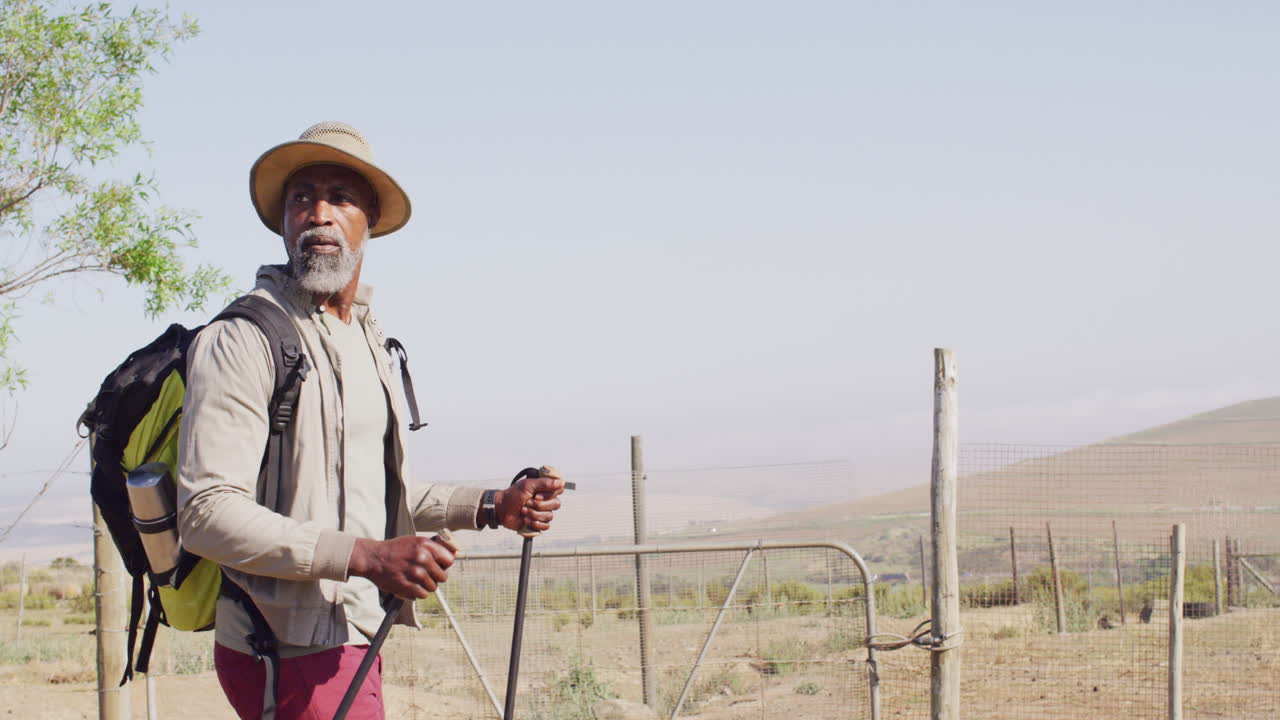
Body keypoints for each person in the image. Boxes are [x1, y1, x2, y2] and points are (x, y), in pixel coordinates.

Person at [176, 121, 566, 720]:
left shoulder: (363, 335)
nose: (319, 214)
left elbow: (373, 493)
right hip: (281, 645)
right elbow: (205, 514)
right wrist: (367, 557)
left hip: (352, 631)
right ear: (284, 222)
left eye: (341, 197)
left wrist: (494, 505)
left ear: (371, 219)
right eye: (301, 198)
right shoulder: (242, 340)